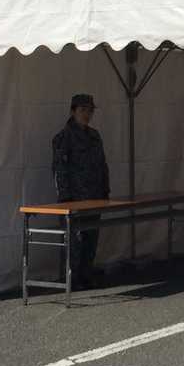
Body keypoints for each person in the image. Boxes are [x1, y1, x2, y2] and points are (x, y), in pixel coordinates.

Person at [51, 93, 110, 289]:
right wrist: (65, 198)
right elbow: (59, 170)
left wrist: (105, 190)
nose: (87, 114)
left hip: (94, 196)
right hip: (74, 198)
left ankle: (86, 275)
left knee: (91, 238)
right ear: (73, 111)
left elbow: (102, 165)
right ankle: (71, 279)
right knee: (74, 241)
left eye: (90, 111)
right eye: (83, 110)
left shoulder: (95, 136)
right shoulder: (63, 138)